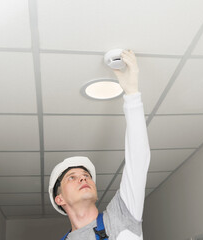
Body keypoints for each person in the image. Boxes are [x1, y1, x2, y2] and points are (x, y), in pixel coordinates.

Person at [48, 50, 151, 240]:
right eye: (72, 177)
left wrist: (132, 94)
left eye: (86, 175)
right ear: (59, 199)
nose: (83, 179)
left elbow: (138, 160)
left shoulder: (121, 216)